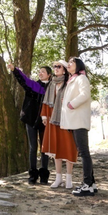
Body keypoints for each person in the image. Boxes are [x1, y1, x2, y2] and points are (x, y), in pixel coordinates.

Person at [7, 62, 51, 184]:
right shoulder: (33, 85)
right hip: (30, 120)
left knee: (44, 148)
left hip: (45, 121)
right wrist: (14, 70)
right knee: (33, 148)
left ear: (49, 75)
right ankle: (32, 175)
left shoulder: (52, 89)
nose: (40, 73)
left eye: (43, 71)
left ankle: (44, 175)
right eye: (39, 71)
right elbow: (23, 79)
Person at [61, 56, 97, 197]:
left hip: (79, 121)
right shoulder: (73, 79)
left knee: (83, 152)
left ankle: (87, 184)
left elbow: (85, 95)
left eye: (72, 63)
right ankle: (92, 184)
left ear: (79, 65)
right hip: (74, 120)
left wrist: (71, 104)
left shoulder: (81, 78)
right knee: (83, 152)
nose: (69, 65)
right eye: (68, 63)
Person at [40, 60, 79, 189]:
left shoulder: (69, 83)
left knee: (68, 147)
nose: (56, 68)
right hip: (53, 120)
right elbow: (46, 102)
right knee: (55, 149)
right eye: (54, 66)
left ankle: (69, 178)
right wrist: (44, 116)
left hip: (66, 119)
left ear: (64, 69)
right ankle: (58, 178)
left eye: (58, 66)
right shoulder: (51, 84)